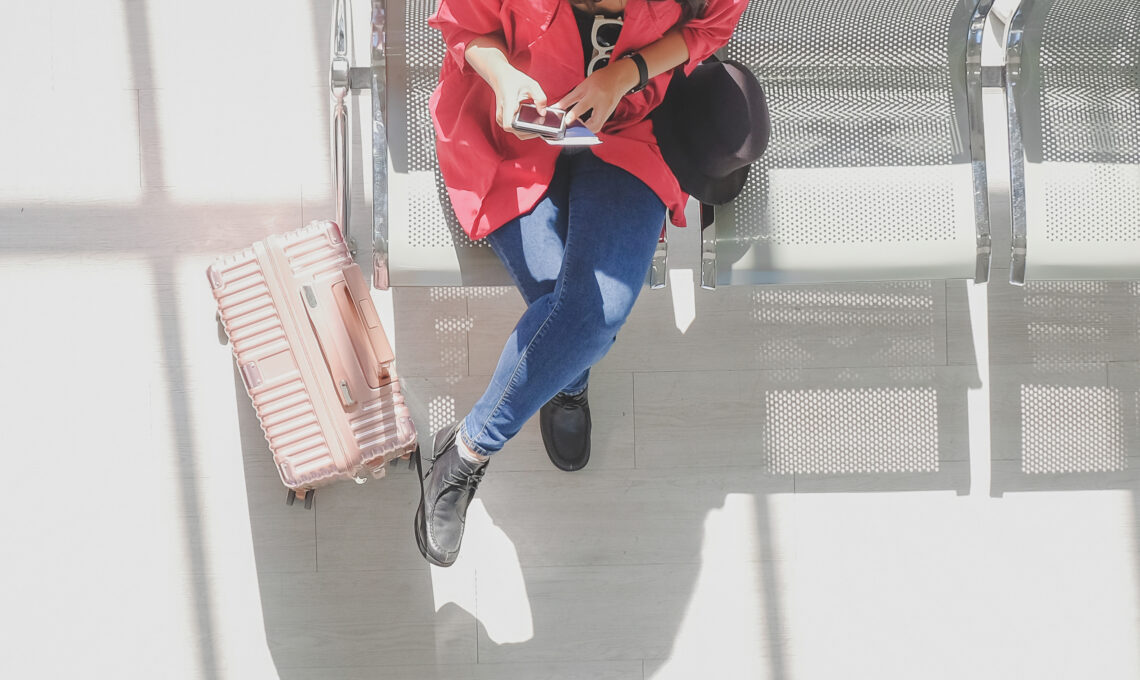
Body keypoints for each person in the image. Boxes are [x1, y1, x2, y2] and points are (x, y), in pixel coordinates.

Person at [415, 0, 748, 567]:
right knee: (564, 304)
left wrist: (625, 74)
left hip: (636, 127)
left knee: (590, 315)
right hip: (516, 129)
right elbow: (463, 24)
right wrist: (503, 76)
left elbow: (710, 25)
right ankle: (565, 382)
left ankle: (467, 450)